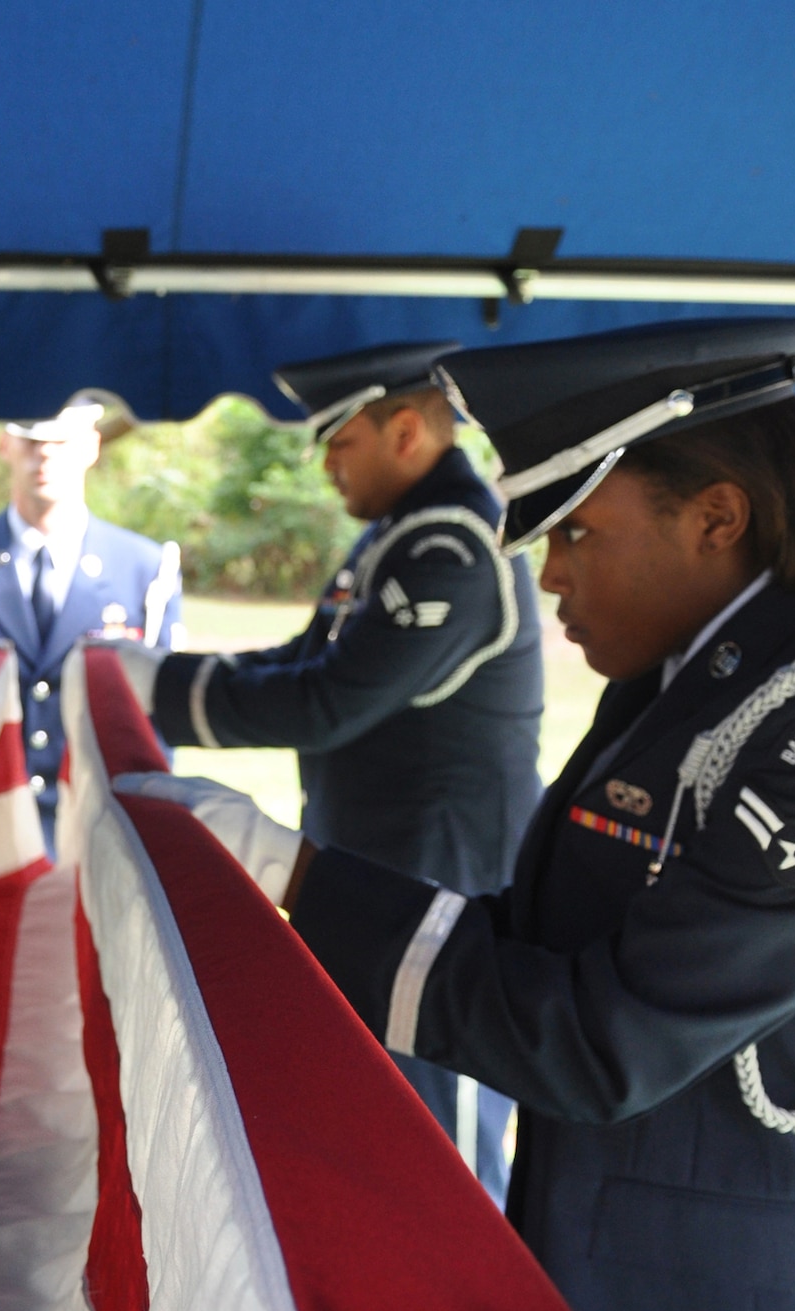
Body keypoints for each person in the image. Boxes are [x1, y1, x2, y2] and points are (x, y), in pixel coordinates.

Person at [116, 315, 795, 1311]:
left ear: (718, 517)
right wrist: (296, 880)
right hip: (637, 1287)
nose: (549, 579)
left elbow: (603, 1036)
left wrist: (297, 878)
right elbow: (540, 932)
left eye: (578, 533)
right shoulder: (694, 673)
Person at [114, 343, 544, 1202]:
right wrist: (159, 681)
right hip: (378, 873)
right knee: (378, 1114)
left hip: (440, 887)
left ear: (408, 430)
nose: (326, 464)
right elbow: (300, 660)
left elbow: (327, 702)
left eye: (338, 441)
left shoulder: (449, 544)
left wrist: (155, 688)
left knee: (442, 1142)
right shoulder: (394, 536)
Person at [0, 394, 184, 840]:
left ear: (91, 446)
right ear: (4, 444)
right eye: (30, 441)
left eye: (61, 442)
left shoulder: (146, 568)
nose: (44, 455)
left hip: (96, 831)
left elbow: (158, 722)